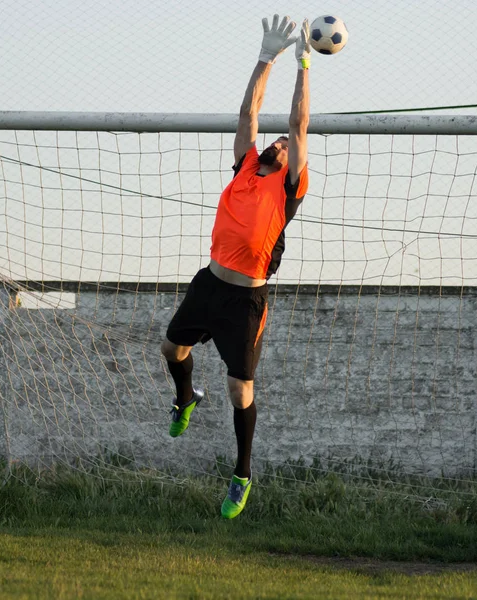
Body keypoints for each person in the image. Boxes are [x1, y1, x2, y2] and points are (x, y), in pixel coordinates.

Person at [160, 14, 311, 519]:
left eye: (287, 146)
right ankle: (186, 397)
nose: (280, 142)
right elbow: (249, 112)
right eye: (278, 142)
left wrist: (303, 63)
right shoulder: (247, 164)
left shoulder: (287, 186)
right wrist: (265, 56)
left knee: (240, 388)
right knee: (170, 346)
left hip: (246, 298)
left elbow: (297, 122)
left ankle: (242, 473)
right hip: (209, 282)